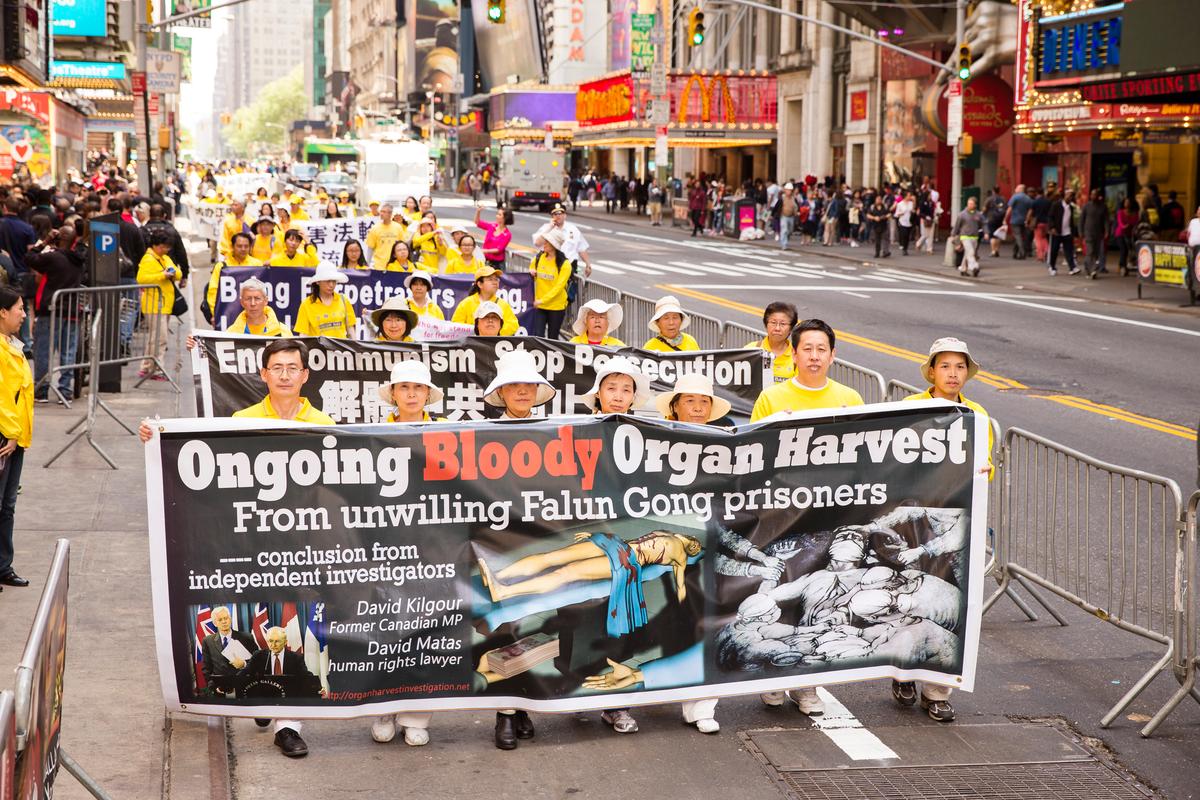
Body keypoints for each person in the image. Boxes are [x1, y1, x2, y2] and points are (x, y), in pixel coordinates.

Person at [749, 319, 863, 716]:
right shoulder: (772, 397)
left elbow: (869, 459)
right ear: (793, 354)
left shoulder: (850, 398)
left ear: (833, 355)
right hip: (783, 519)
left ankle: (807, 684)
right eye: (807, 349)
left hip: (829, 518)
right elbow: (753, 455)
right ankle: (773, 678)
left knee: (818, 601)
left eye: (821, 349)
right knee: (782, 595)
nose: (814, 356)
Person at [892, 336, 993, 723]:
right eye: (946, 366)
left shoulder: (977, 415)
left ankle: (937, 691)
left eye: (960, 367)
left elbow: (984, 467)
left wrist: (981, 471)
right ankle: (903, 674)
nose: (953, 373)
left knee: (951, 604)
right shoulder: (908, 409)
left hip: (955, 521)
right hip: (913, 521)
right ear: (931, 371)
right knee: (908, 599)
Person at [480, 349, 556, 749]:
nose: (523, 391)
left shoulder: (559, 431)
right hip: (499, 543)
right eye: (515, 385)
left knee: (538, 624)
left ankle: (525, 704)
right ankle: (505, 713)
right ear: (502, 392)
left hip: (546, 540)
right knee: (507, 622)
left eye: (529, 385)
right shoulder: (481, 435)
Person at [240, 627, 320, 758]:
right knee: (262, 715)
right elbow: (244, 673)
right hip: (265, 694)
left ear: (285, 641)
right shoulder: (258, 656)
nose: (273, 645)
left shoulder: (296, 658)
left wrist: (317, 687)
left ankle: (286, 731)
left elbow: (305, 676)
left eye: (277, 641)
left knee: (299, 696)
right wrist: (228, 684)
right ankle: (265, 713)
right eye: (270, 641)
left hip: (287, 696)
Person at [27, 225, 84, 402]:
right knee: (68, 351)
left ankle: (41, 389)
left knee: (44, 350)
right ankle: (65, 389)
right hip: (72, 310)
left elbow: (29, 257)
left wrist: (45, 241)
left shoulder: (52, 257)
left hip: (51, 310)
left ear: (58, 239)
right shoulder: (78, 260)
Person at [0, 286, 32, 589]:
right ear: (3, 312)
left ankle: (3, 566)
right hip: (5, 435)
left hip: (16, 435)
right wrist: (9, 433)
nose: (23, 314)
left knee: (7, 504)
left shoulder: (13, 344)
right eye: (19, 308)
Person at [136, 229, 183, 380]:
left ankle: (147, 366)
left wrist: (173, 273)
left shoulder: (164, 257)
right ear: (156, 245)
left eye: (167, 247)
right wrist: (162, 275)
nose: (166, 250)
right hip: (154, 305)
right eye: (164, 246)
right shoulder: (149, 259)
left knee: (155, 338)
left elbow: (178, 273)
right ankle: (156, 369)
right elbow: (142, 279)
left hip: (163, 305)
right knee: (160, 338)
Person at [293, 263, 357, 338]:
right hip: (318, 349)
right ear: (317, 282)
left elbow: (350, 329)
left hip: (341, 349)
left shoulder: (344, 301)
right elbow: (303, 334)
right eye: (327, 281)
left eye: (334, 281)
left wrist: (356, 348)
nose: (331, 285)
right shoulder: (306, 304)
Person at [200, 606, 259, 687]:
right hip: (220, 687)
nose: (224, 621)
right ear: (214, 623)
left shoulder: (247, 638)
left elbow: (257, 662)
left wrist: (244, 664)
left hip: (244, 684)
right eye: (220, 620)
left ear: (230, 619)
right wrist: (214, 687)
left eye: (226, 618)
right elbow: (206, 668)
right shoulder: (207, 641)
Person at [529, 227, 571, 339]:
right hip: (540, 306)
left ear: (554, 245)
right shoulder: (539, 258)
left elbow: (558, 287)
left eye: (547, 242)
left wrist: (542, 300)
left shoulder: (565, 264)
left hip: (556, 306)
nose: (544, 243)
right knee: (539, 336)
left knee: (553, 337)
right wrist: (531, 272)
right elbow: (531, 270)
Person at [451, 266, 518, 335]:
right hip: (471, 344)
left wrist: (494, 333)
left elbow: (513, 325)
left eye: (496, 279)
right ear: (480, 284)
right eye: (490, 279)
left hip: (494, 344)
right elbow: (456, 326)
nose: (495, 282)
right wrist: (476, 334)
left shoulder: (503, 305)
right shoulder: (466, 303)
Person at [532, 204, 592, 278]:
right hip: (550, 267)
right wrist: (550, 228)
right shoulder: (546, 228)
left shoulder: (573, 229)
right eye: (555, 214)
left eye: (560, 213)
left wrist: (588, 264)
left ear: (565, 215)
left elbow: (581, 248)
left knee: (570, 289)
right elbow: (537, 243)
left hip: (570, 267)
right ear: (552, 216)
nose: (558, 216)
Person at [746, 301, 798, 383]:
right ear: (766, 324)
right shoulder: (751, 349)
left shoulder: (797, 356)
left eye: (783, 324)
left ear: (791, 328)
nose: (777, 328)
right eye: (773, 322)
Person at [951, 197, 987, 277]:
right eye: (968, 203)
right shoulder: (962, 214)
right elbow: (957, 226)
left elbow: (984, 223)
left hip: (974, 237)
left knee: (968, 254)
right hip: (965, 236)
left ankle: (963, 269)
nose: (969, 205)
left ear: (975, 205)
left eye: (971, 204)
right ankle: (974, 267)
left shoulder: (978, 215)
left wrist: (986, 232)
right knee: (971, 252)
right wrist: (953, 235)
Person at [1047, 190, 1079, 276]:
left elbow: (1071, 220)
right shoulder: (1056, 205)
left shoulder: (1071, 207)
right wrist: (1052, 227)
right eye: (1068, 195)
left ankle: (1072, 267)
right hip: (1057, 231)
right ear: (1064, 196)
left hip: (1067, 232)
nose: (1070, 197)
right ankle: (1052, 267)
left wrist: (1074, 232)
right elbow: (1050, 216)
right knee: (1054, 250)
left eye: (1071, 196)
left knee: (1069, 250)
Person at [364, 205, 405, 270]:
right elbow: (370, 248)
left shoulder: (398, 227)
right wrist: (367, 264)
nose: (381, 214)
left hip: (395, 265)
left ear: (390, 214)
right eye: (381, 211)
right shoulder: (374, 228)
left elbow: (403, 247)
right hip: (379, 266)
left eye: (384, 211)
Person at [1080, 189, 1109, 279]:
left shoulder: (1103, 207)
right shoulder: (1086, 206)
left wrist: (1107, 231)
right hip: (1088, 232)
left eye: (1095, 195)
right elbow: (1081, 220)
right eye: (1092, 195)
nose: (1094, 196)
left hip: (1098, 233)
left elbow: (1106, 220)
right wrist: (1081, 232)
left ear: (1098, 196)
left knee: (1096, 253)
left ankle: (1089, 267)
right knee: (1090, 251)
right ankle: (1092, 270)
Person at [474, 204, 511, 270]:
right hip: (485, 260)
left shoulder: (507, 234)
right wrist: (478, 211)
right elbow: (478, 223)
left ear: (505, 218)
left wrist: (485, 251)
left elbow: (499, 249)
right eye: (497, 214)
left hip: (497, 264)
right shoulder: (492, 226)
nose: (496, 216)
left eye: (499, 215)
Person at [1006, 184, 1032, 259]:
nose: (1015, 189)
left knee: (1018, 236)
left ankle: (1022, 252)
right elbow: (1030, 210)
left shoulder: (1015, 197)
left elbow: (1010, 208)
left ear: (1020, 189)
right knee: (1019, 236)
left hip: (1015, 220)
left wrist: (1005, 218)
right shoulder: (1028, 198)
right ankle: (1015, 252)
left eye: (1016, 188)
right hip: (1023, 220)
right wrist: (1027, 219)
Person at [1114, 197, 1139, 274]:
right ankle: (1123, 267)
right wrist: (1124, 226)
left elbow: (1136, 222)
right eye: (1125, 202)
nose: (1127, 204)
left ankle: (1121, 265)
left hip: (1129, 234)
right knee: (1123, 249)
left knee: (1128, 250)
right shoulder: (1120, 212)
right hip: (1120, 233)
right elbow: (1120, 222)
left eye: (1128, 202)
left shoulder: (1135, 213)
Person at [894, 191, 916, 255]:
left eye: (910, 195)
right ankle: (904, 248)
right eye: (909, 195)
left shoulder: (911, 203)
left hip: (909, 222)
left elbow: (913, 210)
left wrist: (913, 211)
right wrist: (900, 213)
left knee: (907, 236)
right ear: (905, 196)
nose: (910, 197)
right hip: (902, 221)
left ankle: (906, 248)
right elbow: (896, 214)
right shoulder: (900, 204)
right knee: (904, 235)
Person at [777, 184, 797, 250]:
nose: (789, 192)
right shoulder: (782, 198)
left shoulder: (793, 198)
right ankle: (784, 244)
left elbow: (797, 206)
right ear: (785, 190)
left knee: (790, 230)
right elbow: (776, 207)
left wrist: (798, 211)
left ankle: (785, 238)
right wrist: (772, 215)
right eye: (788, 190)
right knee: (784, 230)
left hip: (791, 216)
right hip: (784, 216)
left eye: (790, 190)